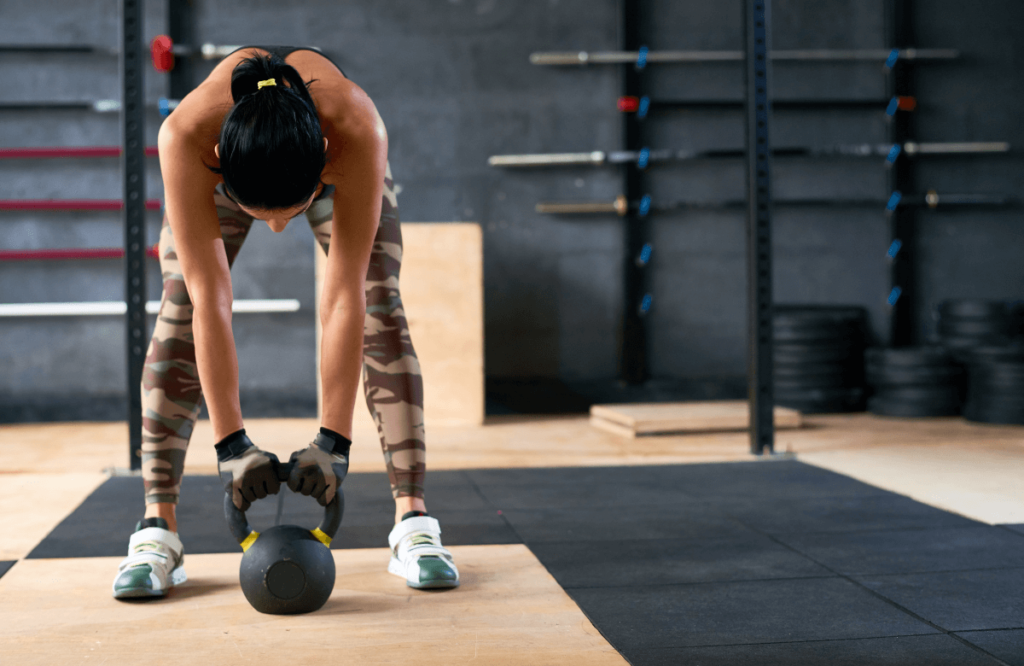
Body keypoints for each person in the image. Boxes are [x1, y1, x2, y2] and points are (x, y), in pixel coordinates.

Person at [112, 46, 458, 598]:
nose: (276, 231)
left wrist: (333, 441)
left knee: (377, 296)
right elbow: (211, 300)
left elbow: (343, 296)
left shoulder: (355, 127)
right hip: (232, 167)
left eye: (288, 216)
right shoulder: (186, 137)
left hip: (324, 164)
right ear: (222, 156)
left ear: (322, 153)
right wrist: (231, 445)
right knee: (180, 303)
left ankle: (413, 521)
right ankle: (158, 528)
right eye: (262, 217)